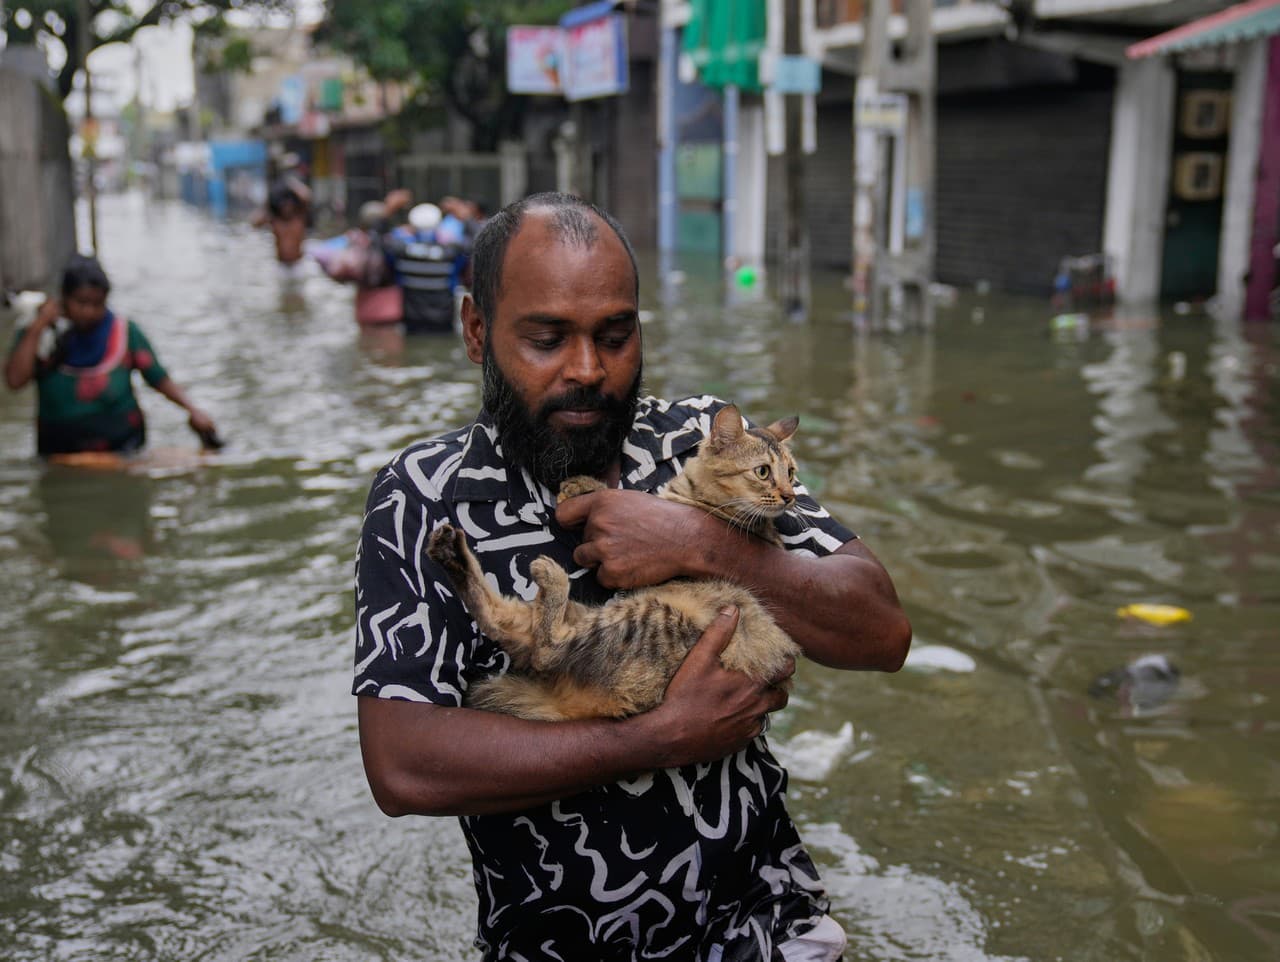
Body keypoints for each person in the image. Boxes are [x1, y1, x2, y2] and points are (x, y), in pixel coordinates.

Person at [353, 192, 912, 960]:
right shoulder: (423, 496)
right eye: (547, 339)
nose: (588, 370)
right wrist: (656, 738)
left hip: (765, 925)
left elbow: (882, 632)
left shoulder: (705, 440)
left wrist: (704, 543)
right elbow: (402, 765)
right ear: (476, 330)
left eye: (615, 336)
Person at [5, 254, 219, 456]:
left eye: (97, 304)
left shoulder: (125, 333)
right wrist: (38, 326)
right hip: (58, 452)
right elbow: (15, 381)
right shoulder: (41, 336)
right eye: (81, 302)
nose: (89, 311)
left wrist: (191, 409)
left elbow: (157, 377)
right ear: (64, 297)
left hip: (123, 447)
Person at [382, 202, 469, 334]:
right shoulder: (452, 252)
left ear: (411, 226)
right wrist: (466, 217)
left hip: (411, 321)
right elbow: (475, 243)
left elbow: (379, 240)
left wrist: (387, 210)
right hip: (444, 321)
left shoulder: (400, 251)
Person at [251, 168, 313, 281]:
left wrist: (290, 182)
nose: (287, 207)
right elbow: (255, 224)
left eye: (289, 204)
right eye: (284, 204)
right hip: (281, 267)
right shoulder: (275, 220)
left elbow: (307, 195)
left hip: (299, 265)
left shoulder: (299, 217)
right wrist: (268, 202)